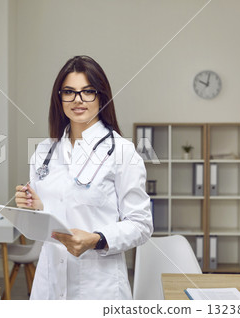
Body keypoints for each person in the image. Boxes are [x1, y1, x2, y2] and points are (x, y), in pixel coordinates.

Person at [15, 55, 152, 300]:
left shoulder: (122, 151)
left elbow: (141, 225)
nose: (78, 100)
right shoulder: (44, 151)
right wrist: (34, 208)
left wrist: (96, 240)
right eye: (69, 92)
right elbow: (48, 220)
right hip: (49, 284)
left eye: (87, 91)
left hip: (98, 287)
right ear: (60, 98)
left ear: (101, 96)